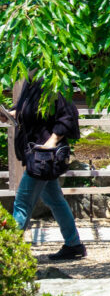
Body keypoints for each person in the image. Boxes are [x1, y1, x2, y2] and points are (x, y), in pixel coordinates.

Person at [6, 79, 85, 261]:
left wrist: (52, 141)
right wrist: (10, 114)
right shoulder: (32, 82)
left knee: (22, 203)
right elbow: (27, 109)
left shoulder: (53, 80)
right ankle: (74, 245)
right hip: (38, 156)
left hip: (43, 157)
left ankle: (8, 252)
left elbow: (68, 116)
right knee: (55, 200)